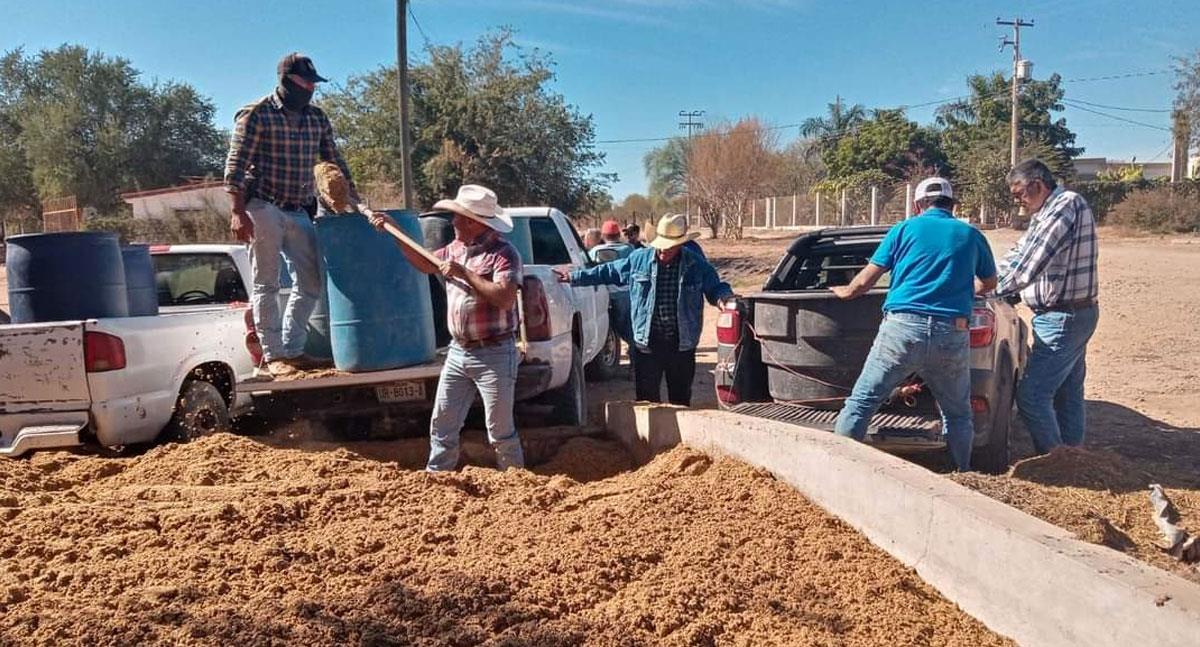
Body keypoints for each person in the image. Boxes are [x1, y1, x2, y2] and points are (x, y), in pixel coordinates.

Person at [830, 178, 997, 471]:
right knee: (957, 414)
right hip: (951, 331)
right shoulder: (971, 235)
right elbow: (989, 283)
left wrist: (842, 292)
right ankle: (962, 474)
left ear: (917, 205)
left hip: (903, 329)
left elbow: (862, 283)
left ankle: (840, 471)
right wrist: (958, 289)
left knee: (861, 404)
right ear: (953, 205)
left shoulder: (903, 229)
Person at [369, 185, 525, 472]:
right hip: (458, 352)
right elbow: (425, 263)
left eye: (456, 217)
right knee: (442, 424)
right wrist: (394, 233)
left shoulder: (504, 254)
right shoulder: (454, 249)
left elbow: (504, 298)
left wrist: (464, 273)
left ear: (473, 222)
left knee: (500, 430)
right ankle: (437, 479)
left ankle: (516, 484)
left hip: (495, 352)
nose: (451, 222)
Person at [225, 53, 358, 377]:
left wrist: (354, 197)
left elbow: (333, 160)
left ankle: (294, 349)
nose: (311, 88)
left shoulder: (316, 118)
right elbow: (236, 166)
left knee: (312, 281)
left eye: (314, 84)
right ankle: (274, 356)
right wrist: (237, 212)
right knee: (266, 283)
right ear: (287, 82)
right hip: (263, 207)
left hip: (298, 208)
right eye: (305, 83)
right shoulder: (257, 114)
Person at [556, 214, 736, 406]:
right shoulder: (638, 259)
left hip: (681, 343)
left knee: (681, 398)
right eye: (661, 245)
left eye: (670, 247)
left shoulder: (695, 264)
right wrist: (574, 277)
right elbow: (608, 271)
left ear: (680, 245)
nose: (664, 251)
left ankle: (676, 435)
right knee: (646, 400)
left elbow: (715, 287)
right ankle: (651, 436)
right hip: (647, 342)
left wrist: (724, 298)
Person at [996, 159, 1099, 455]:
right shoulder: (1045, 213)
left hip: (1065, 316)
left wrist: (988, 290)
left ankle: (1057, 461)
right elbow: (1019, 253)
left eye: (1020, 195)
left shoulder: (1065, 205)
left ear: (1038, 185)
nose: (1019, 203)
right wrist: (989, 276)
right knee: (1067, 393)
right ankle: (1074, 457)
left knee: (1032, 396)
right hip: (1066, 314)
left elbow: (1030, 265)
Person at [589, 220, 636, 358]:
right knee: (629, 329)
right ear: (618, 234)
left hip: (602, 294)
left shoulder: (594, 251)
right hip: (624, 294)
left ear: (603, 236)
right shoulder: (628, 249)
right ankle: (634, 364)